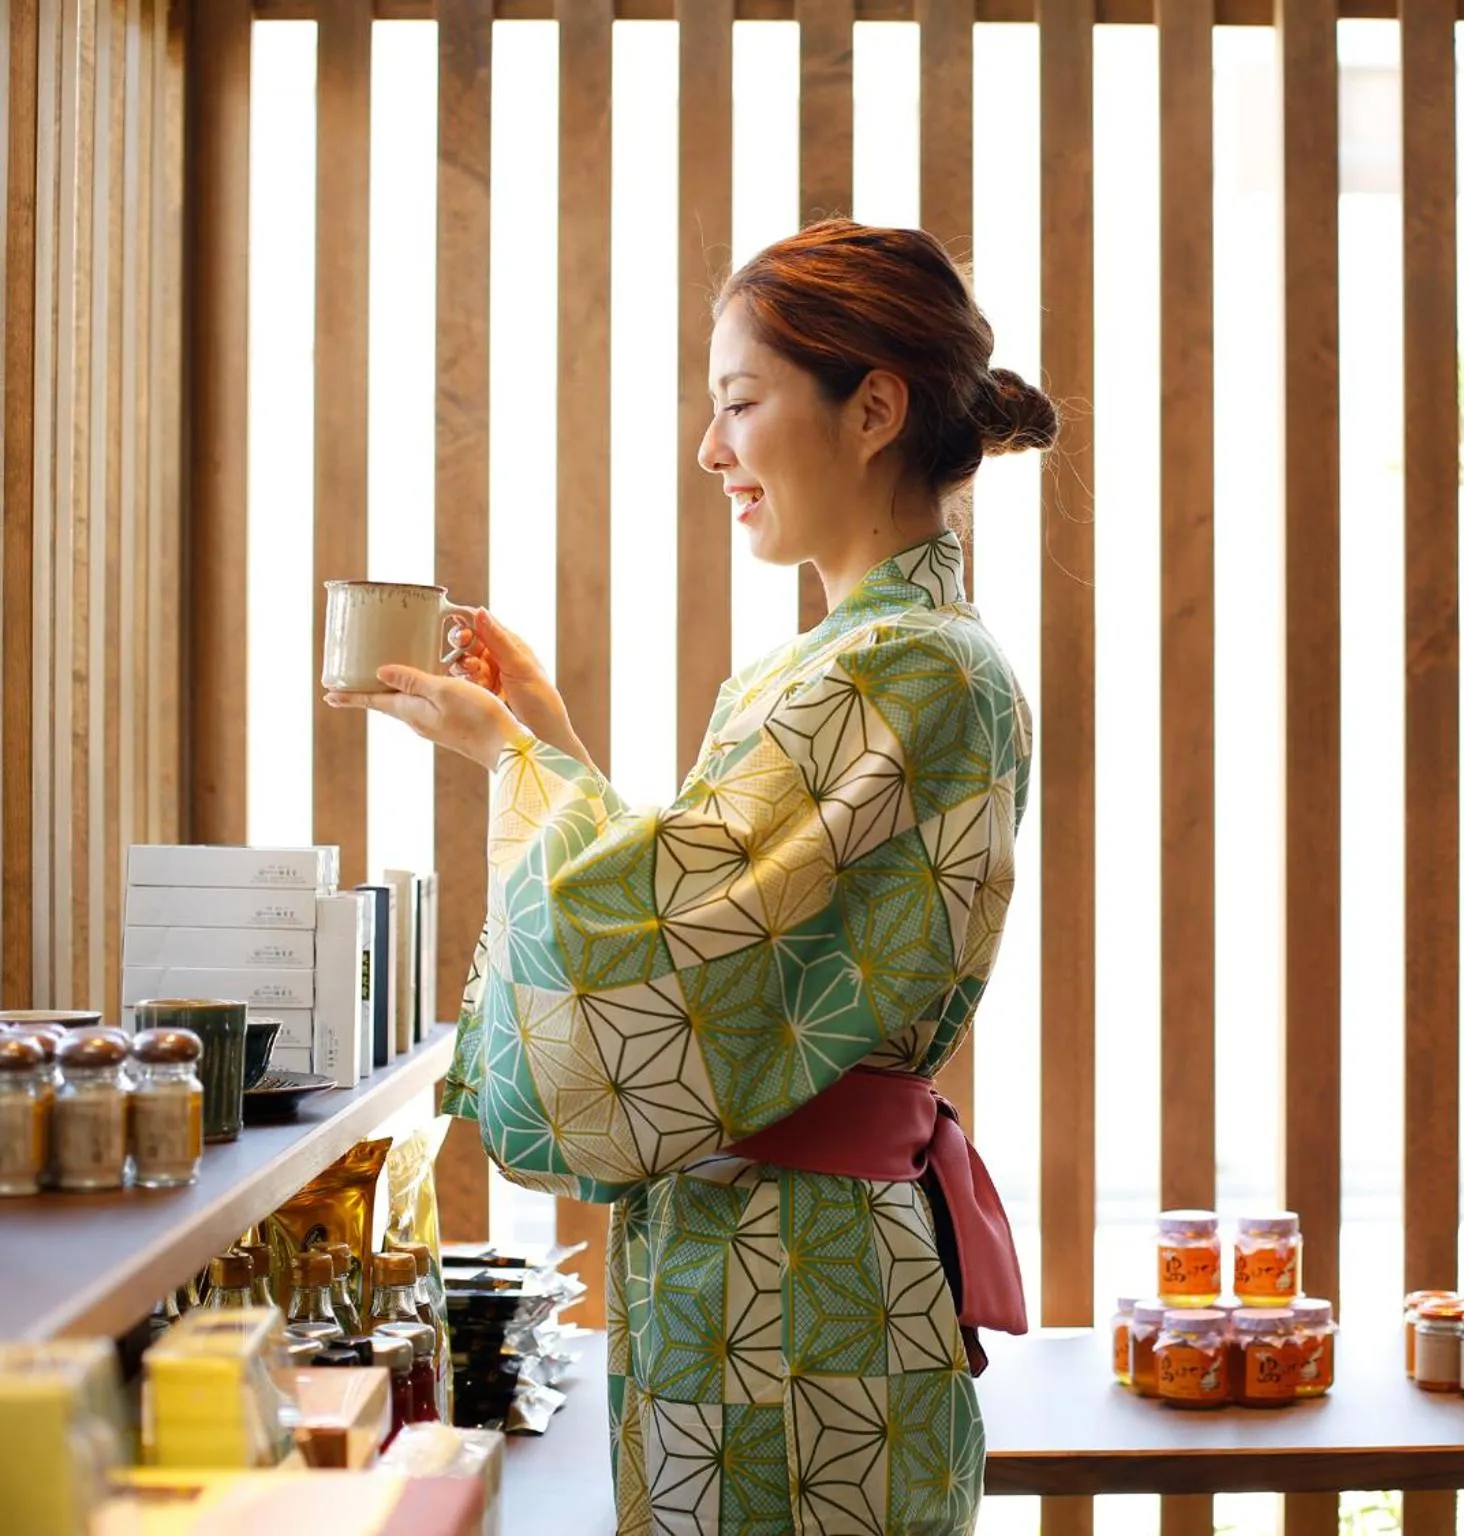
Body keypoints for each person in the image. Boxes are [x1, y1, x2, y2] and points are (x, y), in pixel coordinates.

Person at [326, 219, 1056, 1535]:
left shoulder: (908, 665)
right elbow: (711, 923)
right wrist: (541, 731)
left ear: (875, 407)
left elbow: (671, 937)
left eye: (739, 403)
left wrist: (509, 760)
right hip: (766, 1260)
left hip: (794, 1279)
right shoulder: (877, 656)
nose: (712, 449)